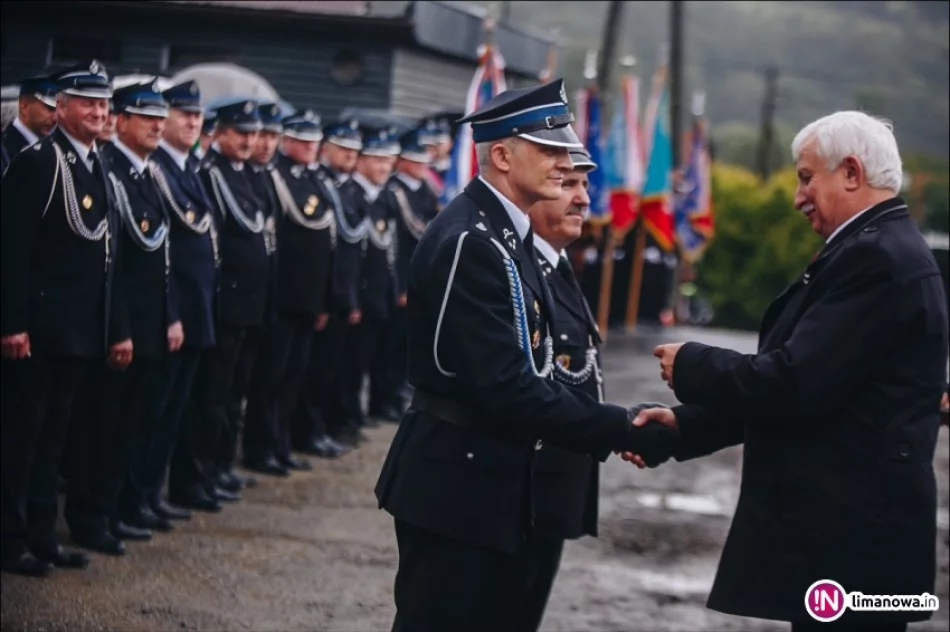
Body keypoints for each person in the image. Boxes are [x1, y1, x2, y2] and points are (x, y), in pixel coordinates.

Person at [373, 79, 678, 631]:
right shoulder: (473, 241)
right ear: (502, 156)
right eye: (550, 150)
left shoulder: (504, 236)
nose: (564, 164)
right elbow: (505, 384)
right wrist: (621, 427)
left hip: (490, 482)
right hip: (457, 485)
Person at [630, 111, 950, 632]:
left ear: (851, 172)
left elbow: (794, 384)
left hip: (853, 545)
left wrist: (692, 363)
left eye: (806, 177)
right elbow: (827, 392)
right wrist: (687, 424)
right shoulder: (875, 247)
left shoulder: (876, 258)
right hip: (851, 541)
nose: (799, 197)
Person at [1, 59, 123, 576]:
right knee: (20, 442)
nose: (98, 112)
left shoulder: (97, 163)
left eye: (104, 104)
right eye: (87, 103)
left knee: (53, 443)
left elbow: (106, 255)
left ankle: (41, 534)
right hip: (38, 331)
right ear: (63, 107)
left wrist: (111, 328)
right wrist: (11, 323)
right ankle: (9, 542)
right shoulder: (40, 161)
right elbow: (12, 249)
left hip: (78, 331)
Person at [65, 80, 180, 552]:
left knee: (131, 426)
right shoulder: (109, 170)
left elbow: (161, 257)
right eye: (147, 118)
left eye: (161, 118)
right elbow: (113, 265)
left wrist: (170, 316)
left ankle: (111, 509)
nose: (157, 126)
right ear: (122, 121)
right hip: (122, 326)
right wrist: (121, 328)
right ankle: (89, 517)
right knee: (102, 428)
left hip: (150, 325)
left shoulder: (147, 174)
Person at [516, 147, 604, 631]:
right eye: (568, 185)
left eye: (584, 186)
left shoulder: (558, 266)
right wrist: (617, 428)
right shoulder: (523, 271)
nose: (583, 199)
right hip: (527, 490)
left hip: (554, 486)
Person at [135, 79, 216, 523]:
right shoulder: (156, 168)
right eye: (183, 114)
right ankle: (136, 496)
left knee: (172, 414)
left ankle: (151, 493)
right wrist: (173, 313)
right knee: (151, 412)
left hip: (196, 309)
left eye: (197, 115)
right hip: (172, 312)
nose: (192, 122)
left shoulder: (188, 168)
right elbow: (164, 251)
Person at [244, 108, 338, 467]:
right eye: (302, 140)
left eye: (314, 141)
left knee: (293, 378)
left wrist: (324, 299)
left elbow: (327, 244)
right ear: (288, 141)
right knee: (269, 378)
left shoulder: (316, 179)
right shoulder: (274, 177)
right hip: (283, 295)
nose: (310, 147)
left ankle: (281, 445)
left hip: (309, 298)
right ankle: (260, 448)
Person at [386, 125, 442, 414]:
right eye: (416, 161)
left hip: (422, 277)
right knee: (392, 344)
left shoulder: (425, 189)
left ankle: (400, 391)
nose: (422, 166)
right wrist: (401, 285)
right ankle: (386, 396)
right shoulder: (395, 190)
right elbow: (400, 240)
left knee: (409, 342)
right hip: (402, 276)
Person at [0, 73, 57, 173]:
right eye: (50, 108)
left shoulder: (55, 148)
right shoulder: (5, 151)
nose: (55, 118)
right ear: (24, 107)